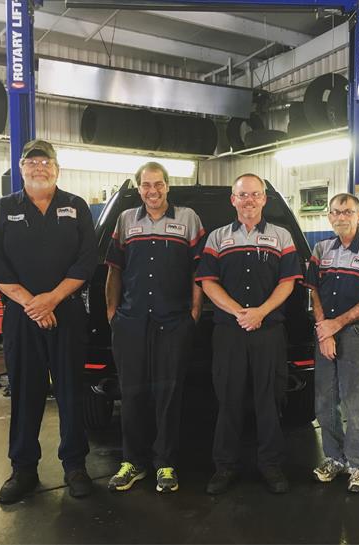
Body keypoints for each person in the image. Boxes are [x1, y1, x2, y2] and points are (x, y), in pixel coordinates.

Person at [0, 139, 98, 503]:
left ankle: (75, 466)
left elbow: (87, 260)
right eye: (31, 162)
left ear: (57, 168)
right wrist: (33, 304)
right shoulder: (3, 209)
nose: (39, 167)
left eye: (45, 162)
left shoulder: (76, 207)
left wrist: (51, 300)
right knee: (25, 391)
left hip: (67, 313)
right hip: (22, 316)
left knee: (70, 391)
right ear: (21, 169)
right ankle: (23, 469)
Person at [195, 173, 303, 495]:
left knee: (269, 399)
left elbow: (288, 282)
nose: (249, 200)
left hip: (268, 331)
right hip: (229, 331)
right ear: (233, 200)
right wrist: (238, 312)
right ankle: (225, 467)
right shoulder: (217, 238)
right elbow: (207, 282)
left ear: (264, 199)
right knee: (228, 399)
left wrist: (260, 312)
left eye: (255, 194)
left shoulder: (281, 236)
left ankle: (270, 465)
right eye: (243, 195)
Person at [105, 161, 205, 494]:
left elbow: (199, 270)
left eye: (159, 184)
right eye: (146, 185)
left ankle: (165, 463)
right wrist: (112, 313)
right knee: (132, 394)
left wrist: (194, 312)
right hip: (131, 321)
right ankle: (132, 462)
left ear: (167, 186)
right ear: (139, 188)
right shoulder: (125, 220)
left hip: (173, 321)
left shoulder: (188, 219)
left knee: (168, 394)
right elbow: (114, 269)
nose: (153, 191)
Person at [303, 192, 359, 493]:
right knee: (324, 401)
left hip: (356, 333)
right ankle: (335, 458)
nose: (341, 217)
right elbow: (314, 291)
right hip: (325, 332)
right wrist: (324, 329)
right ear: (329, 216)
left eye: (347, 211)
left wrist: (335, 325)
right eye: (336, 212)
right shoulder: (321, 248)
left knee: (355, 402)